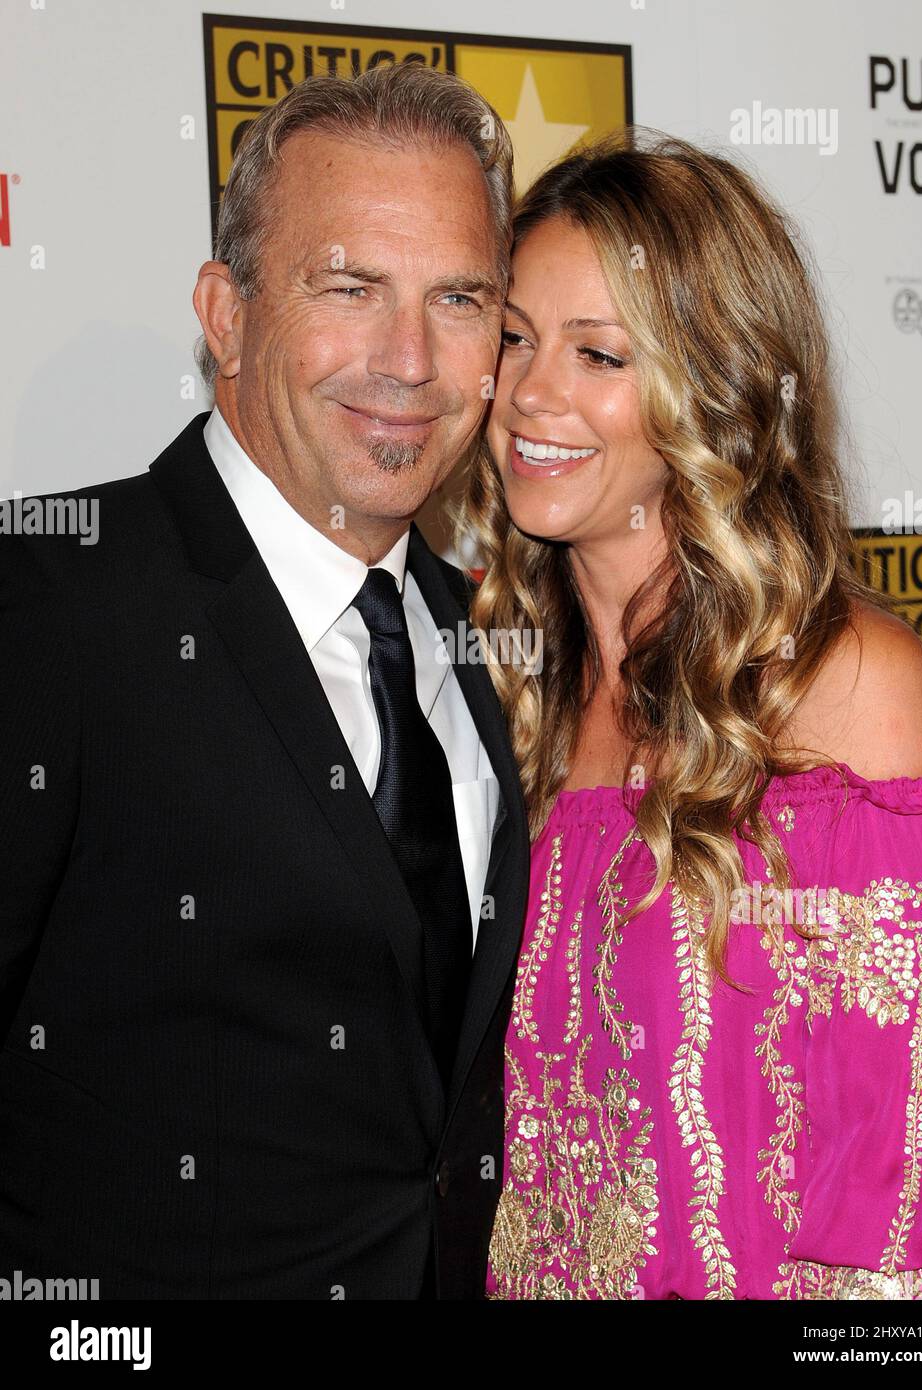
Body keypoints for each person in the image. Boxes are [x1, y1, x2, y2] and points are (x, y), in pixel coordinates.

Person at [0, 65, 530, 1300]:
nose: (409, 359)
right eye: (350, 287)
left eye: (459, 298)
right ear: (226, 314)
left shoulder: (491, 634)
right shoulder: (45, 599)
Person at [456, 129, 922, 1299]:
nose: (532, 394)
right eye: (513, 340)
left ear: (717, 383)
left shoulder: (843, 687)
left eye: (599, 353)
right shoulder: (494, 685)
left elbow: (907, 1233)